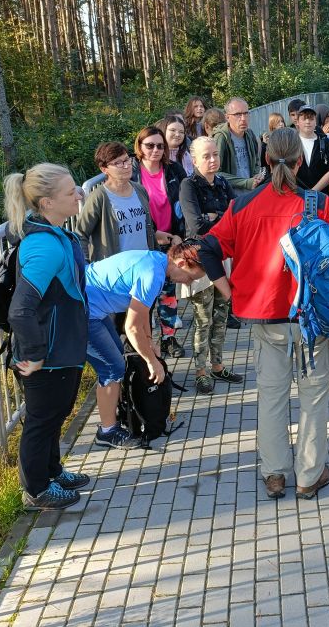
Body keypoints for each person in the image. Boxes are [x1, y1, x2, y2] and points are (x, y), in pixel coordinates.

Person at [207, 129, 329, 500]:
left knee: (272, 396)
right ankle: (309, 475)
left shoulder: (242, 205)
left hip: (264, 317)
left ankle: (274, 473)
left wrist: (231, 293)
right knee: (313, 396)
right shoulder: (318, 205)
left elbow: (208, 249)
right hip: (313, 318)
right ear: (299, 162)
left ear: (265, 159)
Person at [85, 243, 229, 449]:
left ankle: (116, 416)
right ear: (180, 263)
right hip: (82, 309)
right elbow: (131, 327)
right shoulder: (152, 274)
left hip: (93, 308)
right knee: (112, 367)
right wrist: (152, 362)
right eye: (189, 278)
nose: (186, 284)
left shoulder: (156, 261)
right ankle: (107, 431)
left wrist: (149, 340)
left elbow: (141, 312)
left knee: (115, 359)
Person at [4, 164, 89, 510]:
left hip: (60, 348)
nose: (79, 195)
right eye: (71, 193)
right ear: (46, 203)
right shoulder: (45, 247)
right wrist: (36, 354)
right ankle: (36, 490)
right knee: (41, 421)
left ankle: (52, 471)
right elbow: (20, 310)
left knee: (56, 413)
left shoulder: (55, 236)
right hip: (46, 353)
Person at [179, 136, 242, 393]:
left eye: (215, 154)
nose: (213, 159)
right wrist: (219, 220)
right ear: (194, 160)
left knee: (221, 314)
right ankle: (200, 371)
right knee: (202, 318)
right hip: (199, 258)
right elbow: (196, 225)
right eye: (206, 156)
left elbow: (236, 217)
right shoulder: (188, 185)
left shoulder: (222, 183)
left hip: (222, 255)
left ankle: (217, 366)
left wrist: (216, 219)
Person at [132, 125, 187, 360]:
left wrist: (180, 235)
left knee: (168, 293)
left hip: (171, 239)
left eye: (160, 146)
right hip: (145, 242)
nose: (155, 150)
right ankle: (145, 342)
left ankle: (169, 338)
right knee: (146, 294)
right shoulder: (132, 172)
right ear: (140, 147)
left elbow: (183, 202)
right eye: (150, 145)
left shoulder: (173, 170)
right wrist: (153, 234)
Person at [74, 141, 167, 263]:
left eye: (127, 159)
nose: (126, 166)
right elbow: (80, 234)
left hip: (144, 264)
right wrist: (85, 266)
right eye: (118, 163)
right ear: (104, 169)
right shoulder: (98, 197)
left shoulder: (140, 190)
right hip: (117, 271)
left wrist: (156, 255)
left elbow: (147, 227)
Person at [215, 97, 263, 197]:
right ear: (227, 117)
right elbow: (215, 172)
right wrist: (246, 182)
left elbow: (256, 160)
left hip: (250, 194)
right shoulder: (221, 138)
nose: (243, 118)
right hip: (230, 197)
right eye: (238, 114)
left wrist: (256, 175)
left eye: (246, 113)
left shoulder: (249, 134)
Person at [295, 103, 329, 192]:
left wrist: (313, 191)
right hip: (296, 195)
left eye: (311, 118)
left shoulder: (325, 142)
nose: (308, 121)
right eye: (304, 118)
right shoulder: (291, 142)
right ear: (297, 122)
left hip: (322, 195)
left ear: (315, 121)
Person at [258, 112, 287, 178]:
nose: (281, 124)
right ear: (272, 125)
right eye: (278, 122)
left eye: (282, 121)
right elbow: (263, 162)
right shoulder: (268, 139)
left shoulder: (288, 137)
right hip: (272, 174)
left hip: (286, 172)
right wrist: (264, 144)